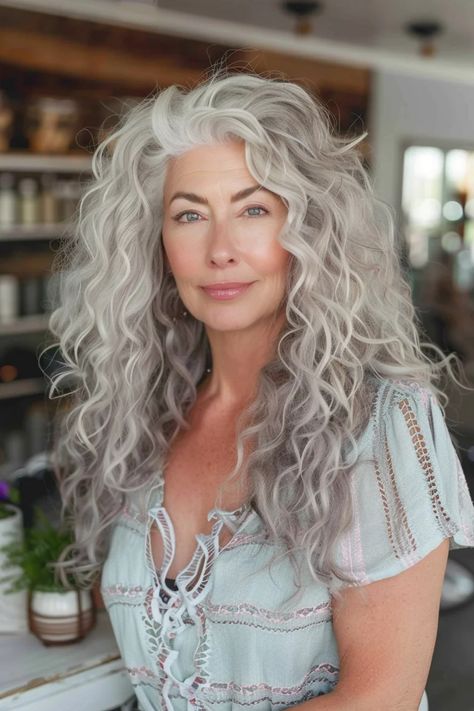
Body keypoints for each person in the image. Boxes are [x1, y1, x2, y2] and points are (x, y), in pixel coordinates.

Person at [45, 68, 474, 711]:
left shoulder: (381, 422)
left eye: (253, 209)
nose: (220, 249)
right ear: (159, 245)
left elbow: (380, 696)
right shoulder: (144, 414)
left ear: (307, 233)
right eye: (190, 214)